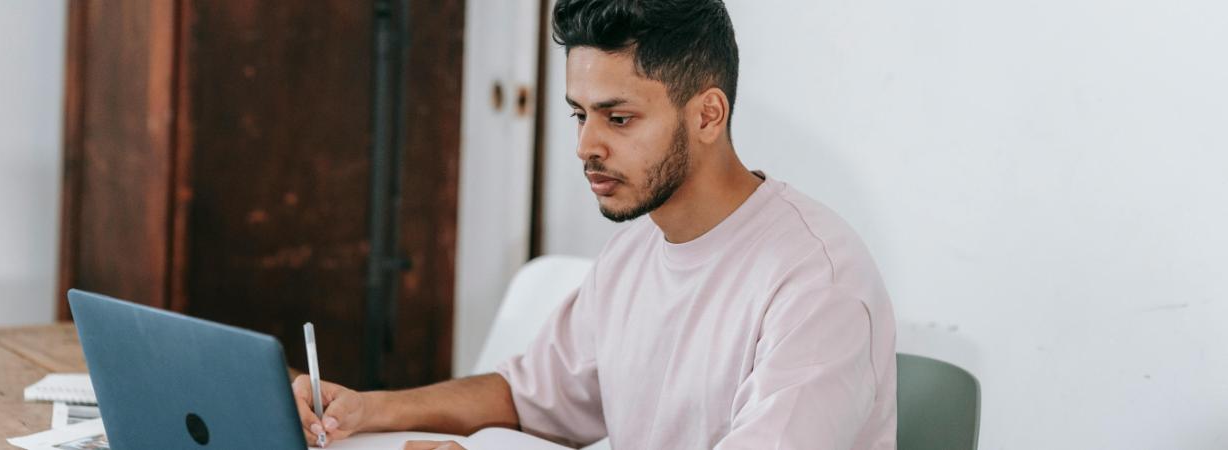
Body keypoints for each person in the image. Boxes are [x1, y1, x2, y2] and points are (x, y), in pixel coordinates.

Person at [293, 0, 897, 448]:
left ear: (709, 114)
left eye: (619, 118)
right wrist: (367, 410)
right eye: (580, 114)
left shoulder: (817, 282)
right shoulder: (632, 254)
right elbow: (525, 397)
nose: (586, 145)